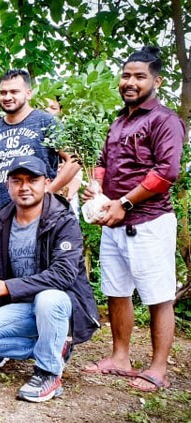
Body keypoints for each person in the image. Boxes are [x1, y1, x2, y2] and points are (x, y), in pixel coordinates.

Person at [81, 47, 185, 392]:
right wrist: (97, 187)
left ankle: (158, 369)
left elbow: (167, 172)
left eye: (139, 76)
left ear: (157, 80)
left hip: (150, 222)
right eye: (126, 75)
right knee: (116, 291)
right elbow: (103, 161)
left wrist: (124, 201)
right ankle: (120, 358)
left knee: (158, 296)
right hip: (114, 222)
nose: (130, 82)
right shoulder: (119, 122)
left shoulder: (164, 120)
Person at [0, 156, 99, 403]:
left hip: (60, 304)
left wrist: (5, 287)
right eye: (17, 181)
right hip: (22, 304)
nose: (24, 187)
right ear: (8, 185)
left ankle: (48, 373)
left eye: (32, 180)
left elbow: (63, 275)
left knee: (49, 298)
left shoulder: (63, 220)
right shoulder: (1, 221)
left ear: (46, 183)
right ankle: (54, 346)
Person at [0, 69, 79, 212]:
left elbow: (74, 160)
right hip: (0, 213)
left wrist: (48, 191)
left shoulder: (46, 121)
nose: (7, 97)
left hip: (39, 212)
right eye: (3, 92)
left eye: (14, 92)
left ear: (28, 93)